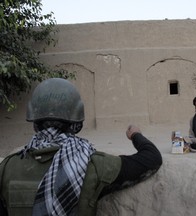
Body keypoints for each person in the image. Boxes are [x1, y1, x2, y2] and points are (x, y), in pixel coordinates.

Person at [0, 78, 162, 216]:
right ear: (76, 123)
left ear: (35, 123)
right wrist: (135, 134)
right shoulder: (91, 164)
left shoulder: (8, 167)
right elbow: (151, 158)